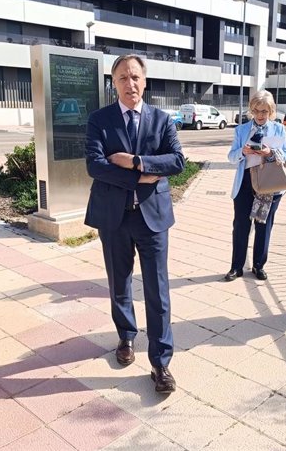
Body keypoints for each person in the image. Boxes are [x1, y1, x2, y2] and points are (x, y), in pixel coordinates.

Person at [85, 55, 185, 394]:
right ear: (113, 83)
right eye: (123, 78)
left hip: (152, 219)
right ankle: (126, 336)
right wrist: (144, 177)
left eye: (136, 77)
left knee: (158, 292)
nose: (131, 84)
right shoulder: (100, 120)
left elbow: (177, 160)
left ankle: (161, 363)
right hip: (113, 217)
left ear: (145, 81)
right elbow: (95, 166)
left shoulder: (162, 119)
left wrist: (136, 161)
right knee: (119, 283)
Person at [224, 90, 286, 282]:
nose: (261, 115)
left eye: (265, 111)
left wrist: (270, 153)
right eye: (257, 111)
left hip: (269, 183)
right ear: (251, 110)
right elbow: (231, 157)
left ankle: (259, 265)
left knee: (264, 226)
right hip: (245, 182)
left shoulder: (278, 129)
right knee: (240, 226)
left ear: (271, 111)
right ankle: (236, 267)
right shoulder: (241, 130)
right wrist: (243, 152)